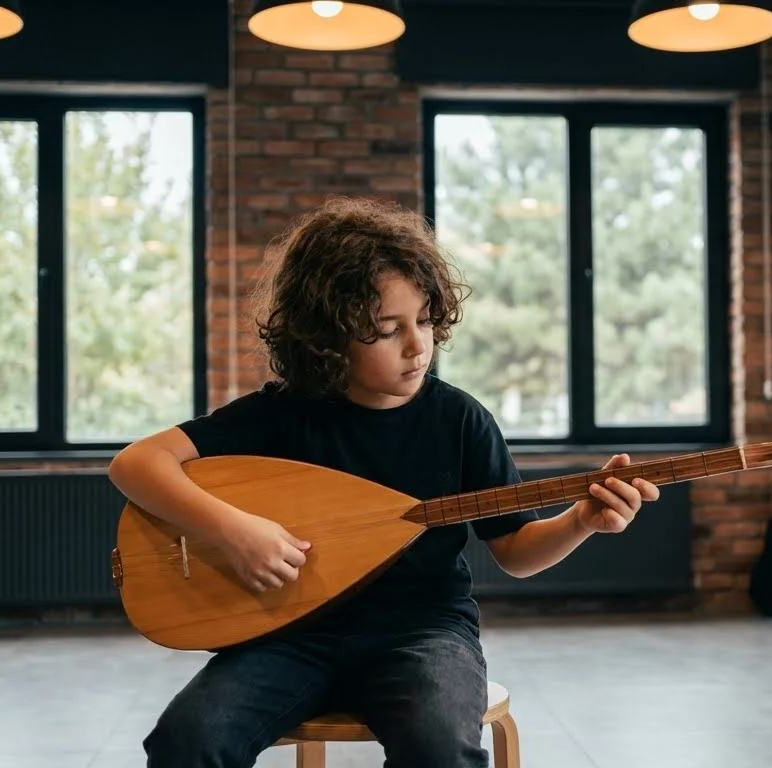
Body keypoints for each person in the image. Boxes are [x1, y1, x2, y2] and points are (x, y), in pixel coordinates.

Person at [107, 196, 661, 768]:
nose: (418, 346)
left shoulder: (458, 420)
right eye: (385, 330)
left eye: (423, 320)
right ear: (326, 337)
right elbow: (135, 464)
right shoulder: (279, 416)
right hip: (286, 636)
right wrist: (232, 531)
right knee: (187, 741)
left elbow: (516, 552)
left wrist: (580, 521)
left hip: (423, 634)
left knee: (440, 748)